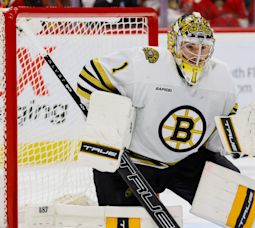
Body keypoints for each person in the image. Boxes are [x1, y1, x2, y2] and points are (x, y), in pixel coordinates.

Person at [76, 12, 240, 206]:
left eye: (204, 48)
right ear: (174, 44)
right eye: (190, 47)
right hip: (133, 163)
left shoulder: (222, 79)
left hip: (184, 163)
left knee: (234, 195)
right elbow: (91, 75)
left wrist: (242, 141)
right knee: (122, 220)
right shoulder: (146, 63)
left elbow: (216, 141)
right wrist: (109, 128)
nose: (197, 55)